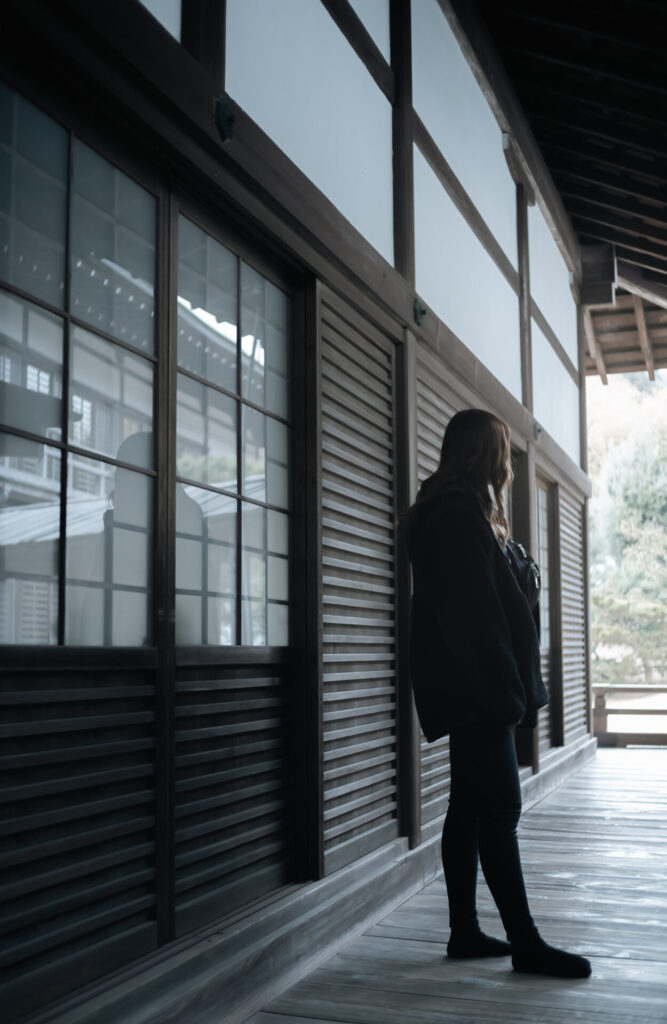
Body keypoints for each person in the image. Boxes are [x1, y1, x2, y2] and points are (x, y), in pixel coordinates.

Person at [407, 408, 591, 979]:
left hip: (471, 684)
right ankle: (526, 943)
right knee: (500, 810)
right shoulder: (457, 514)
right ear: (482, 453)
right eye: (501, 449)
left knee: (467, 808)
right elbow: (477, 617)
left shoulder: (455, 508)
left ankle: (464, 931)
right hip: (479, 686)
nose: (507, 463)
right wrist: (506, 694)